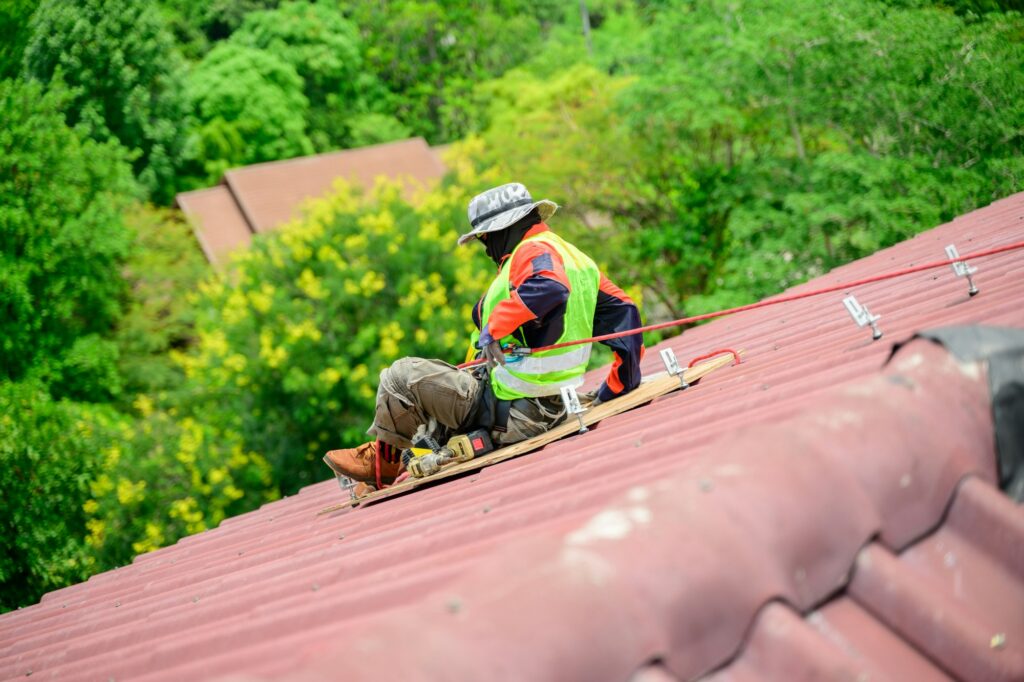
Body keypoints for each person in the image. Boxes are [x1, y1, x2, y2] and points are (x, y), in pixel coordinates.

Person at [324, 182, 644, 489]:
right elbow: (626, 319)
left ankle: (381, 465)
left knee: (399, 377)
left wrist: (494, 327)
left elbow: (549, 287)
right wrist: (619, 385)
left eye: (485, 239)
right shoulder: (576, 258)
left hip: (513, 411)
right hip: (550, 406)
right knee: (430, 402)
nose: (486, 249)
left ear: (503, 230)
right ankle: (384, 461)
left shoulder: (531, 252)